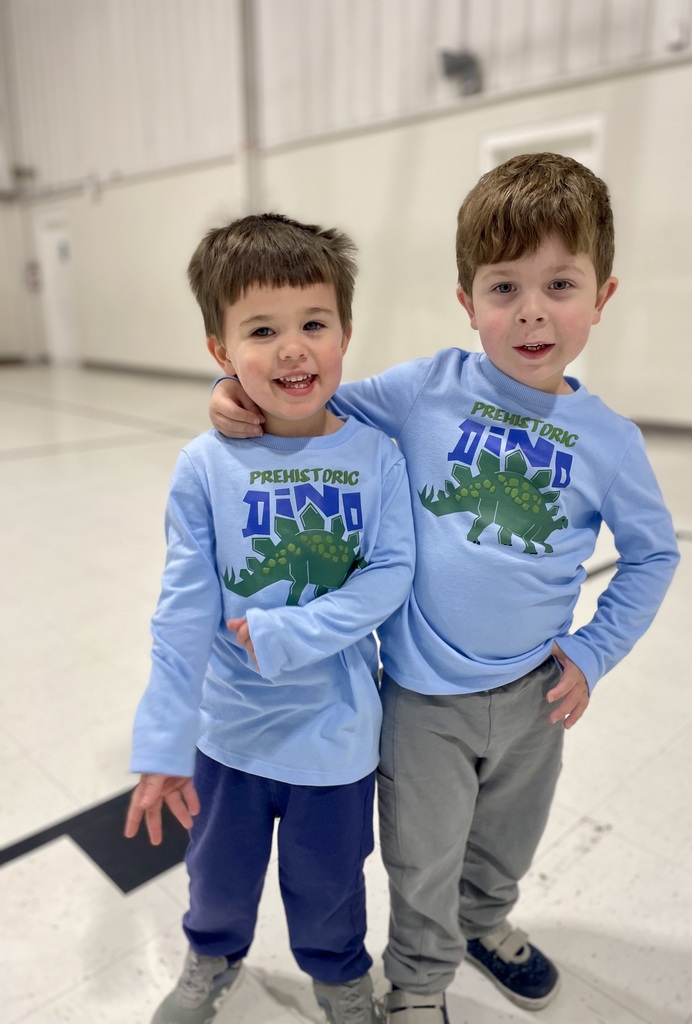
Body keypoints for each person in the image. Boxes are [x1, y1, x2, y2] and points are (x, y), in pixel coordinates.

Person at [208, 154, 680, 1024]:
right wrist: (233, 397)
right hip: (423, 699)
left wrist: (594, 650)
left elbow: (654, 556)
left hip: (539, 690)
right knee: (420, 856)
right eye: (504, 288)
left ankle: (487, 921)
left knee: (506, 840)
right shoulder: (425, 389)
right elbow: (309, 394)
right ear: (468, 302)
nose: (532, 310)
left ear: (602, 297)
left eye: (560, 284)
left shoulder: (610, 440)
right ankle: (421, 981)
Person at [125, 213, 416, 1024]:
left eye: (313, 324)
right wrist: (162, 741)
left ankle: (337, 975)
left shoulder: (376, 456)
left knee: (329, 884)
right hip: (230, 736)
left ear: (346, 332)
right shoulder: (205, 464)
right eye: (262, 330)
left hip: (337, 735)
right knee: (216, 876)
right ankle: (211, 957)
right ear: (221, 352)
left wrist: (296, 634)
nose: (294, 349)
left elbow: (392, 572)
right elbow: (182, 610)